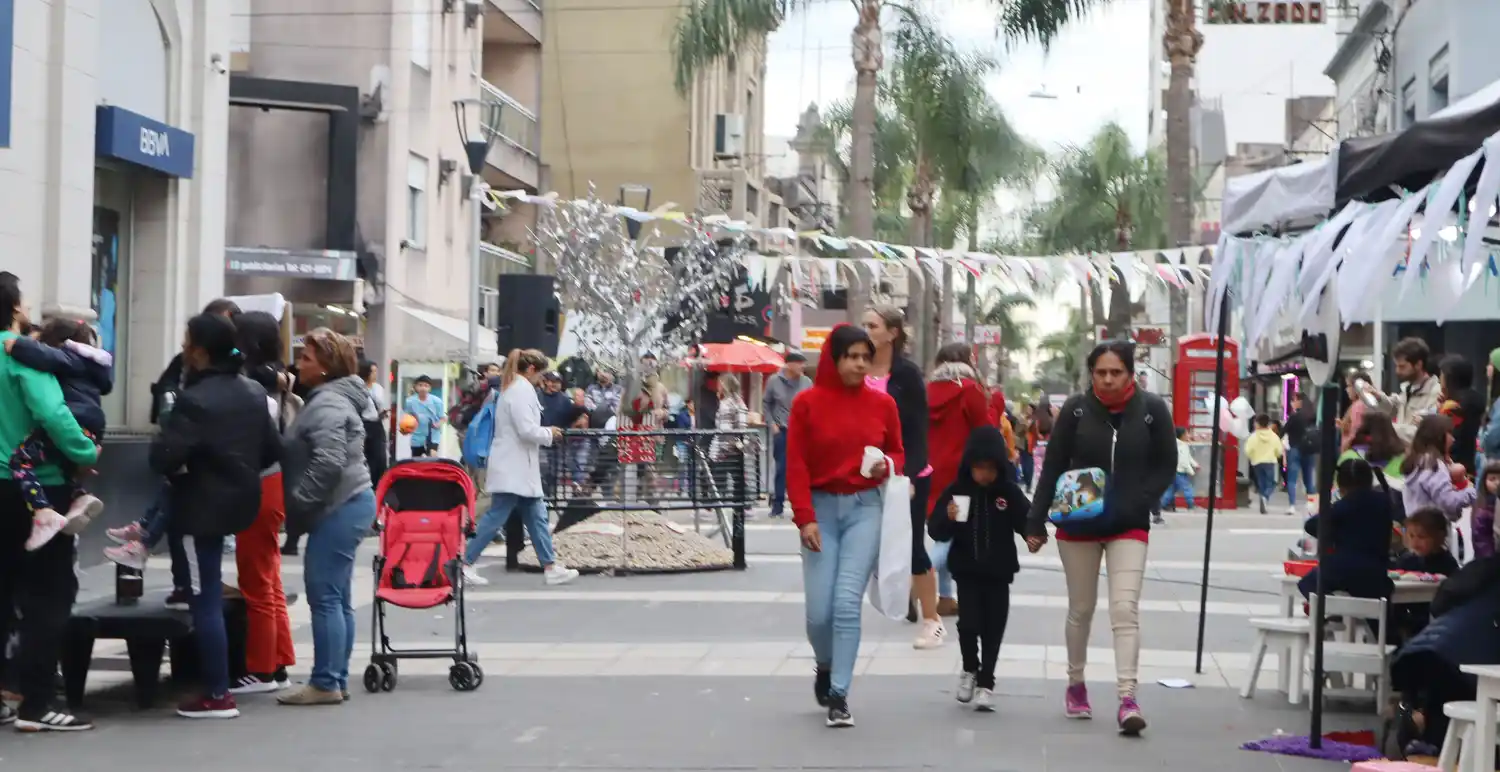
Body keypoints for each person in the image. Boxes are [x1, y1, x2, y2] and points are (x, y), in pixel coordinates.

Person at [1024, 340, 1175, 736]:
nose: (1107, 380)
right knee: (1082, 608)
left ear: (1130, 373)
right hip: (1079, 522)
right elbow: (1053, 465)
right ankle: (1076, 684)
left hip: (1129, 523)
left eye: (1116, 372)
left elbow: (1166, 463)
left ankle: (1128, 698)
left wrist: (1144, 497)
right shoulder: (1075, 410)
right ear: (1091, 374)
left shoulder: (1152, 410)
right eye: (1100, 372)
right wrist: (1035, 522)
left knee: (1125, 610)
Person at [151, 313, 281, 719]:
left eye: (187, 341)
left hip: (198, 508)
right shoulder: (252, 391)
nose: (184, 348)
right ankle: (220, 686)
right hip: (241, 501)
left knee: (203, 598)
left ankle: (217, 693)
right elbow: (271, 449)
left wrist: (193, 465)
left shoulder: (194, 399)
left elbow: (163, 457)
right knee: (213, 591)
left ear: (201, 351)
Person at [787, 324, 903, 728]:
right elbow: (796, 464)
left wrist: (886, 464)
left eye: (864, 356)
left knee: (845, 602)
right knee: (819, 612)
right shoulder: (807, 404)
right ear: (833, 359)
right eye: (851, 355)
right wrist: (805, 518)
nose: (858, 363)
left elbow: (898, 453)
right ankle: (824, 664)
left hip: (864, 509)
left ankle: (839, 693)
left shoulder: (882, 404)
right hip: (819, 511)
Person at [0, 278, 100, 731]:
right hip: (36, 488)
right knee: (48, 594)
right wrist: (85, 452)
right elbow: (53, 414)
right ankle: (37, 704)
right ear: (16, 307)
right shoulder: (19, 353)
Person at [117, 298, 241, 604]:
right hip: (202, 474)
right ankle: (167, 565)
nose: (185, 346)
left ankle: (147, 540)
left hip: (208, 480)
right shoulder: (202, 381)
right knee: (175, 508)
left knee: (205, 595)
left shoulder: (219, 388)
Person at [277, 328, 377, 706]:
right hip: (350, 503)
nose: (299, 363)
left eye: (307, 358)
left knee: (325, 597)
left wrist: (302, 500)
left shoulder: (327, 404)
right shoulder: (330, 399)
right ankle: (335, 677)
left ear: (325, 367)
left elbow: (330, 459)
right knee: (337, 597)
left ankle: (325, 682)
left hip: (340, 506)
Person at [927, 426, 1031, 712]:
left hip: (999, 573)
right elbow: (936, 531)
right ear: (968, 466)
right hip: (967, 572)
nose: (983, 475)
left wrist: (1034, 535)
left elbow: (1026, 519)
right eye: (978, 468)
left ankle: (987, 682)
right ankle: (970, 669)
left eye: (990, 469)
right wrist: (947, 518)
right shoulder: (958, 491)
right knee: (968, 625)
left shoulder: (1007, 492)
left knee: (994, 627)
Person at [462, 349, 579, 587]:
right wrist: (550, 433)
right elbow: (527, 430)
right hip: (515, 466)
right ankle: (464, 562)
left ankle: (549, 566)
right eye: (542, 374)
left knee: (534, 516)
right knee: (503, 516)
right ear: (532, 369)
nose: (543, 380)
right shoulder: (521, 391)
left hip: (515, 466)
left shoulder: (514, 389)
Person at [226, 311, 299, 694]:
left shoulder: (252, 380)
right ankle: (279, 660)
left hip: (256, 483)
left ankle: (261, 669)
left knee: (255, 579)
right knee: (269, 577)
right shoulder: (276, 375)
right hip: (274, 483)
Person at [861, 305, 938, 648]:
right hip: (863, 474)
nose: (866, 330)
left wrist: (906, 476)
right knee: (865, 544)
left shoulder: (906, 375)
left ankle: (933, 620)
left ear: (892, 333)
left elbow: (917, 431)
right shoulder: (855, 369)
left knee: (912, 546)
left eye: (872, 325)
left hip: (907, 474)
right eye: (864, 325)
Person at [4, 319, 110, 550]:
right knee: (64, 460)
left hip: (74, 421)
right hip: (92, 427)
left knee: (20, 461)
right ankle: (80, 495)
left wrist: (19, 346)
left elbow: (52, 413)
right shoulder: (91, 366)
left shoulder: (67, 358)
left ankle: (43, 512)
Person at [926, 342, 991, 617]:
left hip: (929, 472)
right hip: (961, 474)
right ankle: (917, 578)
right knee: (952, 535)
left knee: (943, 528)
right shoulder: (970, 391)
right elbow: (984, 431)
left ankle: (944, 597)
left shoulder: (925, 391)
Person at [1296, 457, 1397, 602]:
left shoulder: (1345, 504)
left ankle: (1334, 610)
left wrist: (1334, 532)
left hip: (1342, 568)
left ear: (1342, 486)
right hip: (1377, 572)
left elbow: (1312, 525)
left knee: (1307, 584)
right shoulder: (1384, 502)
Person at [1400, 414, 1476, 524]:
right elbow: (1449, 503)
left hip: (1416, 526)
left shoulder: (1416, 460)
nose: (1453, 439)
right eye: (1449, 433)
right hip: (1434, 531)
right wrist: (1471, 492)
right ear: (1439, 435)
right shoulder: (1434, 465)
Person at [763, 351, 811, 518]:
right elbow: (766, 403)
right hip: (781, 430)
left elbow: (813, 405)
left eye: (803, 363)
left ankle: (801, 507)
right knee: (782, 468)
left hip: (802, 432)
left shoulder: (806, 382)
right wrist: (772, 424)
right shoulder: (774, 381)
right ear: (789, 365)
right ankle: (777, 506)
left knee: (801, 470)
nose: (802, 367)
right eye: (799, 363)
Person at [1437, 355, 1485, 476]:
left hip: (1456, 468)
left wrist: (1441, 411)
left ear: (1449, 378)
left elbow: (1450, 438)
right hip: (1474, 464)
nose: (1439, 380)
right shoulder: (1476, 399)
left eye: (1441, 376)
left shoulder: (1453, 406)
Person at [1390, 337, 1441, 444]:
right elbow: (1390, 409)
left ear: (1418, 364)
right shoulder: (1406, 390)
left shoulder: (1436, 393)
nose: (1397, 371)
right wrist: (1375, 396)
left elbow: (1421, 433)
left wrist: (1388, 429)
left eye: (1402, 366)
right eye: (1397, 366)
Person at [710, 377, 751, 507]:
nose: (718, 386)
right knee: (735, 477)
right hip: (731, 445)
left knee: (723, 476)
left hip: (726, 445)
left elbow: (728, 426)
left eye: (721, 384)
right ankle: (742, 504)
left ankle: (726, 504)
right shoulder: (736, 402)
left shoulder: (729, 403)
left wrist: (729, 442)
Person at [1283, 391, 1318, 516]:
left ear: (1299, 401)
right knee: (1309, 479)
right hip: (1309, 450)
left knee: (1292, 479)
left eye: (1294, 400)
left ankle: (1292, 506)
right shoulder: (1312, 416)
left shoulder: (1294, 416)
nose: (1292, 403)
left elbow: (1284, 430)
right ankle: (1311, 505)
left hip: (1295, 449)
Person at [357, 358, 389, 489]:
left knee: (380, 459)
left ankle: (379, 488)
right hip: (361, 425)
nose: (375, 374)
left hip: (376, 425)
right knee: (363, 459)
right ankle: (365, 487)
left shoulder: (378, 388)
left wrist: (383, 413)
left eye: (376, 371)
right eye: (373, 371)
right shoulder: (357, 388)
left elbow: (382, 407)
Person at [1244, 415, 1283, 514]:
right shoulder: (1274, 436)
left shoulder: (1253, 436)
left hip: (1257, 462)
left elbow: (1247, 450)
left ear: (1257, 424)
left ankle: (1263, 501)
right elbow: (1279, 451)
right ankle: (1265, 497)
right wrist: (1275, 455)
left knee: (1262, 484)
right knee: (1272, 483)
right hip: (1270, 461)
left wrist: (1252, 456)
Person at [403, 376, 445, 457]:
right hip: (417, 437)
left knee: (432, 456)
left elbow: (443, 418)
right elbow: (407, 417)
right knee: (417, 461)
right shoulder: (410, 401)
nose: (423, 388)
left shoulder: (437, 401)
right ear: (415, 387)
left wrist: (437, 424)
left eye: (426, 386)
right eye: (420, 385)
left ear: (430, 388)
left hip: (432, 435)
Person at [1159, 427, 1198, 514]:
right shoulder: (1182, 446)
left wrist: (1195, 464)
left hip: (1173, 471)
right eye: (1187, 433)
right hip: (1180, 472)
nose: (1188, 435)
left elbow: (1188, 457)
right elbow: (1184, 461)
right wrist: (1191, 471)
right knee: (1187, 488)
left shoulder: (1177, 444)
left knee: (1171, 490)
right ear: (1182, 436)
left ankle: (1162, 505)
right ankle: (1191, 505)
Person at [1471, 461, 1500, 560]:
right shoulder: (1482, 508)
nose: (1497, 483)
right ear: (1484, 481)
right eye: (1492, 479)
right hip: (1488, 559)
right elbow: (1481, 539)